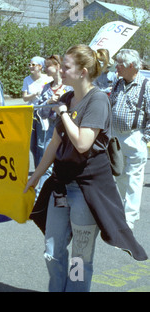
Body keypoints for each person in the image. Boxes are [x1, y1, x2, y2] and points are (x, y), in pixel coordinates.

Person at [25, 44, 147, 292]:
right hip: (61, 186)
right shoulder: (68, 98)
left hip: (86, 190)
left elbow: (82, 143)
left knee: (80, 259)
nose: (61, 71)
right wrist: (36, 177)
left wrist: (64, 114)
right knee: (52, 252)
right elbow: (55, 143)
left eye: (66, 67)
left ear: (81, 72)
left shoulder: (99, 100)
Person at [109, 49, 150, 229]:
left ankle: (129, 218)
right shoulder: (117, 83)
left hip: (135, 136)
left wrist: (144, 138)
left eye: (119, 64)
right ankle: (127, 208)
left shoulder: (146, 85)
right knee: (119, 175)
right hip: (116, 137)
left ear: (131, 66)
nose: (116, 67)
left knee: (134, 178)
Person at [34, 55, 72, 196]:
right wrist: (49, 102)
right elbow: (40, 112)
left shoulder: (69, 86)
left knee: (66, 163)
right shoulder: (46, 88)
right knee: (46, 164)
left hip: (68, 129)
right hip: (51, 128)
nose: (44, 68)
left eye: (47, 65)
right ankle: (40, 197)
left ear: (57, 66)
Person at [22, 56, 53, 168]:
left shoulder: (47, 79)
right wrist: (34, 94)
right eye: (29, 64)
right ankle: (37, 169)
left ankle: (42, 169)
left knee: (41, 144)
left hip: (43, 114)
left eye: (33, 65)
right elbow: (24, 98)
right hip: (30, 113)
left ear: (40, 67)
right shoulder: (27, 80)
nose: (30, 67)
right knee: (32, 145)